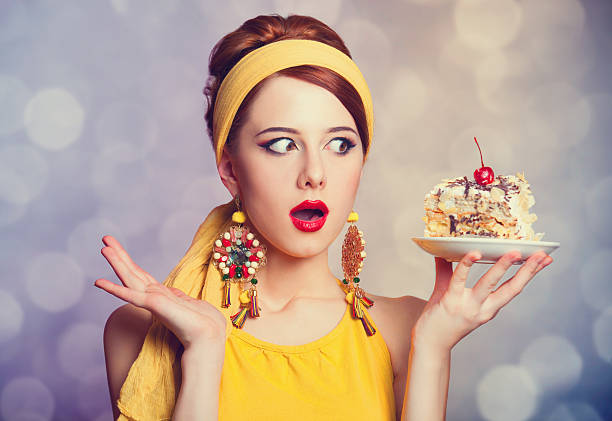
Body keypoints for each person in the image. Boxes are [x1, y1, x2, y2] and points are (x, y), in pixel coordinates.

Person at [96, 14, 553, 421]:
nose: (315, 174)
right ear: (231, 169)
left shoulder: (407, 329)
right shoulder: (140, 332)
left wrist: (433, 349)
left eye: (340, 144)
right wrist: (204, 350)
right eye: (281, 144)